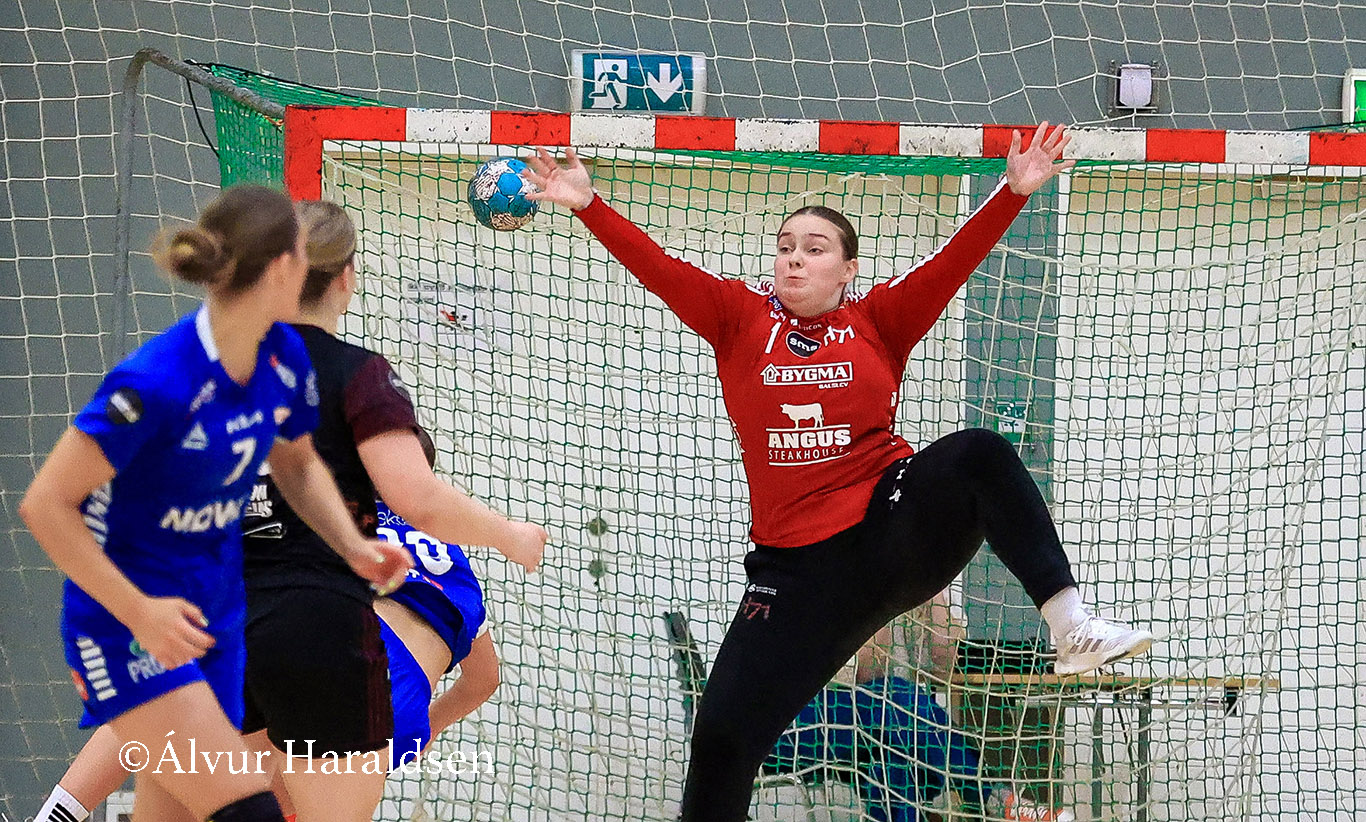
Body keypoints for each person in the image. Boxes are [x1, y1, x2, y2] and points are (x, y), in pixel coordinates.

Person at [523, 123, 1154, 821]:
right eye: (785, 246)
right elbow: (660, 268)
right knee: (723, 741)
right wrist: (588, 204)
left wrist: (1012, 191)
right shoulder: (738, 318)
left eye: (815, 248)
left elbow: (950, 263)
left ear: (848, 269)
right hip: (798, 575)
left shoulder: (878, 321)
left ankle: (1071, 627)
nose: (795, 258)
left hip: (888, 533)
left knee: (979, 453)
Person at [19, 185, 413, 822]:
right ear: (282, 267)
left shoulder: (282, 359)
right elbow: (45, 505)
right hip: (131, 626)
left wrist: (352, 545)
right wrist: (139, 611)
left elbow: (297, 461)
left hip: (215, 619)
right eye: (304, 253)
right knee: (248, 811)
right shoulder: (158, 381)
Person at [236, 199, 546, 822]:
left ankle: (66, 804)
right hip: (326, 637)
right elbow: (420, 500)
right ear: (346, 277)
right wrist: (510, 534)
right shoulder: (355, 376)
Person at [34, 507, 500, 822]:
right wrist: (429, 727)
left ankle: (59, 812)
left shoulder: (342, 507)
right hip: (398, 700)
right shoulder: (458, 570)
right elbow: (484, 680)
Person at [768, 591, 1075, 822]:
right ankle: (992, 796)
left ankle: (983, 799)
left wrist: (933, 593)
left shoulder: (906, 572)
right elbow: (869, 673)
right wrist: (879, 590)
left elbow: (945, 662)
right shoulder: (837, 572)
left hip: (880, 729)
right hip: (791, 722)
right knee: (896, 699)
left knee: (895, 751)